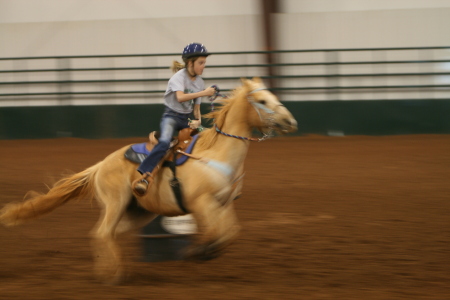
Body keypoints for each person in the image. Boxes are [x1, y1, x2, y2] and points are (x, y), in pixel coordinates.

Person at [132, 43, 216, 196]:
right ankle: (145, 175)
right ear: (190, 63)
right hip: (171, 116)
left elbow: (196, 108)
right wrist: (203, 93)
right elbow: (181, 97)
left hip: (186, 119)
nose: (203, 66)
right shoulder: (178, 78)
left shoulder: (200, 82)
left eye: (204, 63)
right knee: (164, 142)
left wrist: (198, 121)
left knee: (209, 135)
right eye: (201, 63)